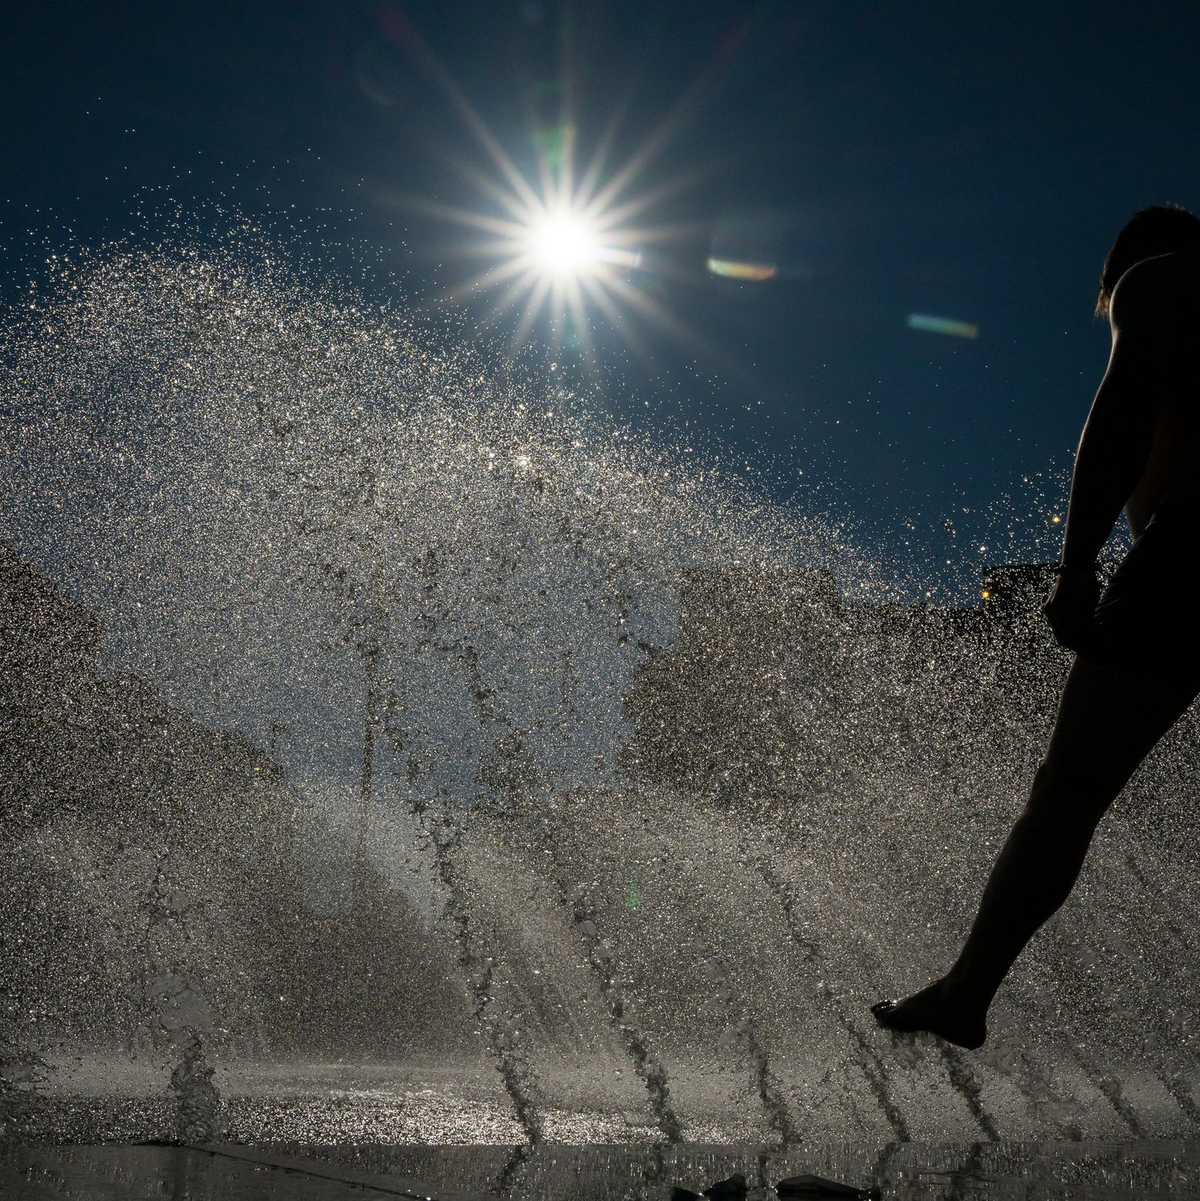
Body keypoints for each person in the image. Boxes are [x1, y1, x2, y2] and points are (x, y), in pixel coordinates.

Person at [872, 204, 1200, 1050]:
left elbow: (1124, 412)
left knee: (1069, 791)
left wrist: (1079, 566)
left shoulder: (1161, 279)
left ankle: (967, 990)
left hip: (1194, 560)